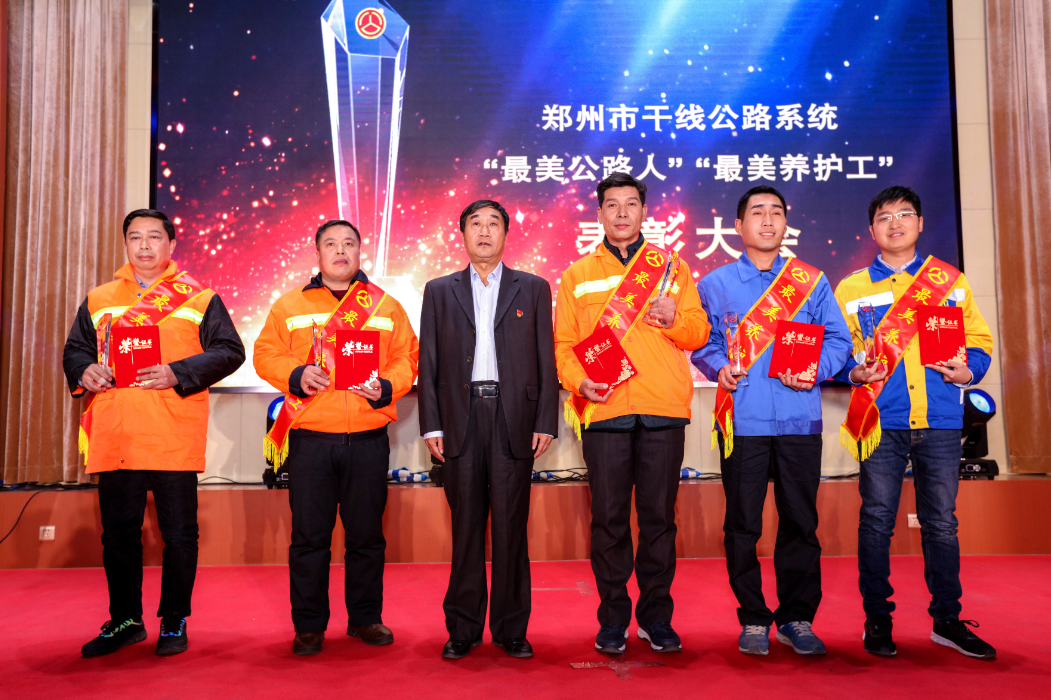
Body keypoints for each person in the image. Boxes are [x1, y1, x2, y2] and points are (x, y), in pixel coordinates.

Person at [62, 209, 245, 657]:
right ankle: (125, 619)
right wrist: (84, 370)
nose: (144, 245)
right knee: (117, 535)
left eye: (154, 237)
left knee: (179, 535)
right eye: (135, 237)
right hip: (117, 433)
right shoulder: (100, 298)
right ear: (125, 243)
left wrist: (177, 371)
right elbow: (75, 350)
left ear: (171, 244)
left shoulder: (199, 297)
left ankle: (173, 619)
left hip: (171, 434)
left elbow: (230, 350)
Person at [834, 186, 996, 659]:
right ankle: (877, 619)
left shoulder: (949, 280)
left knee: (941, 523)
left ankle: (947, 620)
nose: (896, 223)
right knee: (876, 521)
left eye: (905, 214)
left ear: (920, 223)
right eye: (885, 217)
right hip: (880, 421)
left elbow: (979, 341)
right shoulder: (851, 288)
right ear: (872, 229)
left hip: (941, 420)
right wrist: (852, 373)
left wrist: (969, 371)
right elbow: (836, 352)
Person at [692, 185, 852, 657]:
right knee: (742, 525)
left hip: (800, 422)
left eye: (776, 212)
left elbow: (839, 341)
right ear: (738, 226)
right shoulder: (715, 284)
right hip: (743, 421)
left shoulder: (812, 281)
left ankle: (797, 617)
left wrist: (814, 370)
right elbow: (703, 343)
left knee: (800, 522)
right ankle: (753, 618)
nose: (767, 220)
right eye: (757, 212)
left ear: (786, 223)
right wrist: (717, 366)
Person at [554, 173, 709, 655]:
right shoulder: (577, 274)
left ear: (644, 211)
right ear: (599, 213)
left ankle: (656, 619)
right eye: (612, 205)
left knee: (659, 519)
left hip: (662, 408)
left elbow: (699, 332)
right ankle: (613, 620)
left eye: (631, 204)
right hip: (605, 409)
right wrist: (578, 382)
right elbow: (564, 346)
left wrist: (675, 318)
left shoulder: (672, 268)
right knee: (609, 519)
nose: (622, 213)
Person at [254, 220, 419, 656]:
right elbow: (265, 353)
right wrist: (295, 373)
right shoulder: (290, 304)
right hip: (311, 439)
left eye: (349, 243)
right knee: (310, 538)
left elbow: (408, 357)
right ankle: (309, 625)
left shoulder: (386, 306)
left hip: (368, 438)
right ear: (318, 253)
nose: (340, 250)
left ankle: (365, 618)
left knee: (366, 537)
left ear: (360, 252)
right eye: (331, 243)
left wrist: (387, 385)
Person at [418, 199, 559, 660]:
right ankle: (462, 628)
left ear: (505, 233)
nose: (484, 231)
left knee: (511, 529)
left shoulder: (532, 288)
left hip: (513, 417)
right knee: (466, 529)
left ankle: (511, 629)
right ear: (462, 234)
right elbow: (428, 363)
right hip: (459, 418)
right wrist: (431, 424)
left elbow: (546, 358)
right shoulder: (439, 290)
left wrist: (545, 420)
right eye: (475, 224)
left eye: (493, 223)